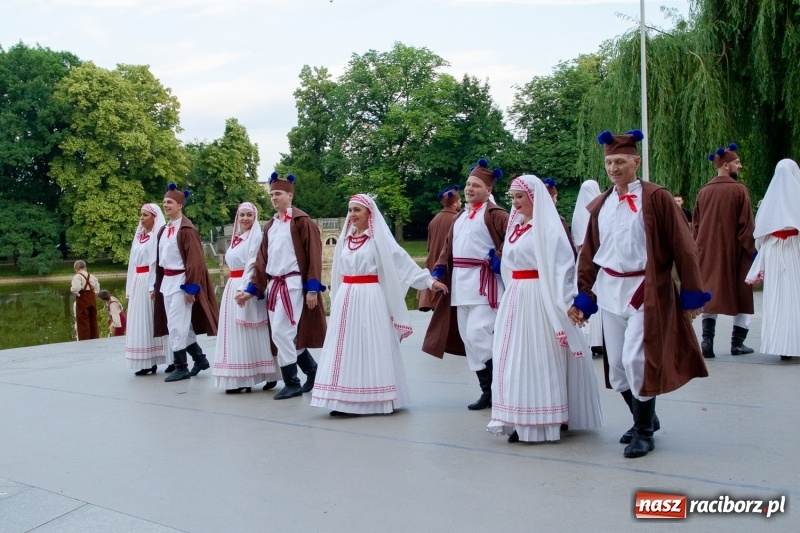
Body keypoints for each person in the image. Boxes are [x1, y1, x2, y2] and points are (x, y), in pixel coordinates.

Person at [567, 129, 710, 459]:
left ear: (636, 161)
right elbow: (589, 252)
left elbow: (684, 247)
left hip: (646, 290)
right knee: (616, 367)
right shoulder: (601, 203)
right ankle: (645, 416)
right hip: (610, 290)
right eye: (608, 162)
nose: (613, 168)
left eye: (620, 161)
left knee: (637, 359)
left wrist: (691, 294)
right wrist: (584, 295)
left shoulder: (656, 197)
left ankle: (644, 431)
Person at [488, 175, 603, 443]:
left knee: (539, 355)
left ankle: (544, 420)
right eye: (513, 197)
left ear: (534, 198)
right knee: (514, 357)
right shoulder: (515, 228)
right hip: (516, 296)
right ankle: (518, 417)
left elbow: (563, 269)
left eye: (520, 197)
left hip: (540, 297)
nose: (515, 203)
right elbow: (507, 265)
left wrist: (566, 304)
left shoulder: (548, 229)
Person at [310, 194, 448, 415]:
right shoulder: (345, 239)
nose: (352, 215)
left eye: (357, 210)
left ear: (369, 213)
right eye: (350, 210)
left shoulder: (378, 240)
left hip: (369, 297)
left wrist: (429, 282)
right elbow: (337, 271)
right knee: (345, 347)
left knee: (369, 344)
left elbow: (403, 263)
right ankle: (343, 399)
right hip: (346, 297)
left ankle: (374, 397)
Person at [422, 158, 509, 411]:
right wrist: (439, 268)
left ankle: (502, 386)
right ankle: (488, 391)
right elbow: (447, 247)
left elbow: (513, 239)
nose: (470, 189)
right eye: (468, 185)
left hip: (486, 287)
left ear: (489, 190)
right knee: (469, 340)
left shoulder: (497, 214)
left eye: (476, 186)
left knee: (478, 334)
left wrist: (498, 257)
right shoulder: (460, 217)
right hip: (461, 286)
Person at [239, 173, 326, 399]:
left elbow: (314, 254)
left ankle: (292, 382)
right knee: (284, 334)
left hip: (293, 284)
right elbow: (262, 260)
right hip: (276, 286)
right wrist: (252, 289)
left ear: (290, 194)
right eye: (271, 194)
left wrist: (313, 288)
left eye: (278, 193)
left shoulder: (302, 221)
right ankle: (311, 370)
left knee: (281, 332)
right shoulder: (271, 225)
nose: (273, 198)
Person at [693, 143, 757, 358]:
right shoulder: (739, 190)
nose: (740, 166)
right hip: (736, 253)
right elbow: (746, 225)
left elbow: (696, 226)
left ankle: (706, 341)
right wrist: (753, 252)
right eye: (737, 163)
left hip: (708, 253)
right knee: (742, 295)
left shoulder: (704, 191)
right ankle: (737, 344)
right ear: (726, 165)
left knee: (710, 295)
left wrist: (698, 251)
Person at [153, 183, 219, 382]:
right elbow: (160, 260)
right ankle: (200, 359)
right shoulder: (164, 229)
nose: (166, 205)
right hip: (168, 280)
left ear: (180, 205)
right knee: (180, 325)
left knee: (176, 325)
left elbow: (195, 260)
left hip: (182, 281)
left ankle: (181, 366)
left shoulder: (187, 230)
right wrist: (157, 283)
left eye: (170, 202)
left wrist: (191, 286)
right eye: (164, 202)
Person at [213, 202, 281, 394]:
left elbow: (253, 264)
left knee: (249, 331)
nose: (245, 219)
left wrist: (245, 289)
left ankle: (255, 376)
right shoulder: (238, 238)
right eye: (241, 215)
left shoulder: (256, 237)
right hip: (233, 284)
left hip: (246, 285)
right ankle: (242, 376)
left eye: (249, 215)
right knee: (236, 332)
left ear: (255, 217)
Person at [746, 159, 800, 361]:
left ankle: (781, 345)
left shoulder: (769, 201)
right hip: (795, 249)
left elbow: (759, 235)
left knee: (777, 298)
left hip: (775, 251)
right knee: (795, 295)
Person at [124, 203, 171, 376]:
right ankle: (146, 360)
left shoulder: (156, 238)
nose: (142, 218)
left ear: (154, 218)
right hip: (138, 281)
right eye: (141, 215)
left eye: (145, 215)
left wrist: (154, 286)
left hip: (150, 281)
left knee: (156, 319)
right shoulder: (139, 237)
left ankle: (169, 358)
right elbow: (132, 264)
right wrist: (129, 287)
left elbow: (154, 263)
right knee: (141, 321)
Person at [571, 180, 604, 358]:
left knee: (586, 293)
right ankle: (599, 341)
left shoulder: (578, 213)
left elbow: (578, 242)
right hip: (598, 262)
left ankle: (587, 341)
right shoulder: (600, 208)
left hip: (584, 262)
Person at [418, 185, 461, 312]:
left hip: (433, 261)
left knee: (437, 303)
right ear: (454, 204)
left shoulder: (434, 219)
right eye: (459, 201)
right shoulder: (458, 219)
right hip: (447, 262)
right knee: (448, 305)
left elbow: (429, 245)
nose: (461, 203)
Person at [543, 178, 577, 258]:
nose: (556, 200)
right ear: (549, 198)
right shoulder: (558, 221)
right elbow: (567, 247)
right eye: (555, 197)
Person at [70, 260, 100, 340]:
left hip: (83, 300)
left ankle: (85, 340)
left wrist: (75, 291)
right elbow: (97, 289)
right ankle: (95, 338)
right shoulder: (92, 276)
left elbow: (76, 288)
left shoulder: (77, 277)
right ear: (84, 267)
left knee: (83, 320)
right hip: (92, 299)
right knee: (93, 319)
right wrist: (94, 294)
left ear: (77, 268)